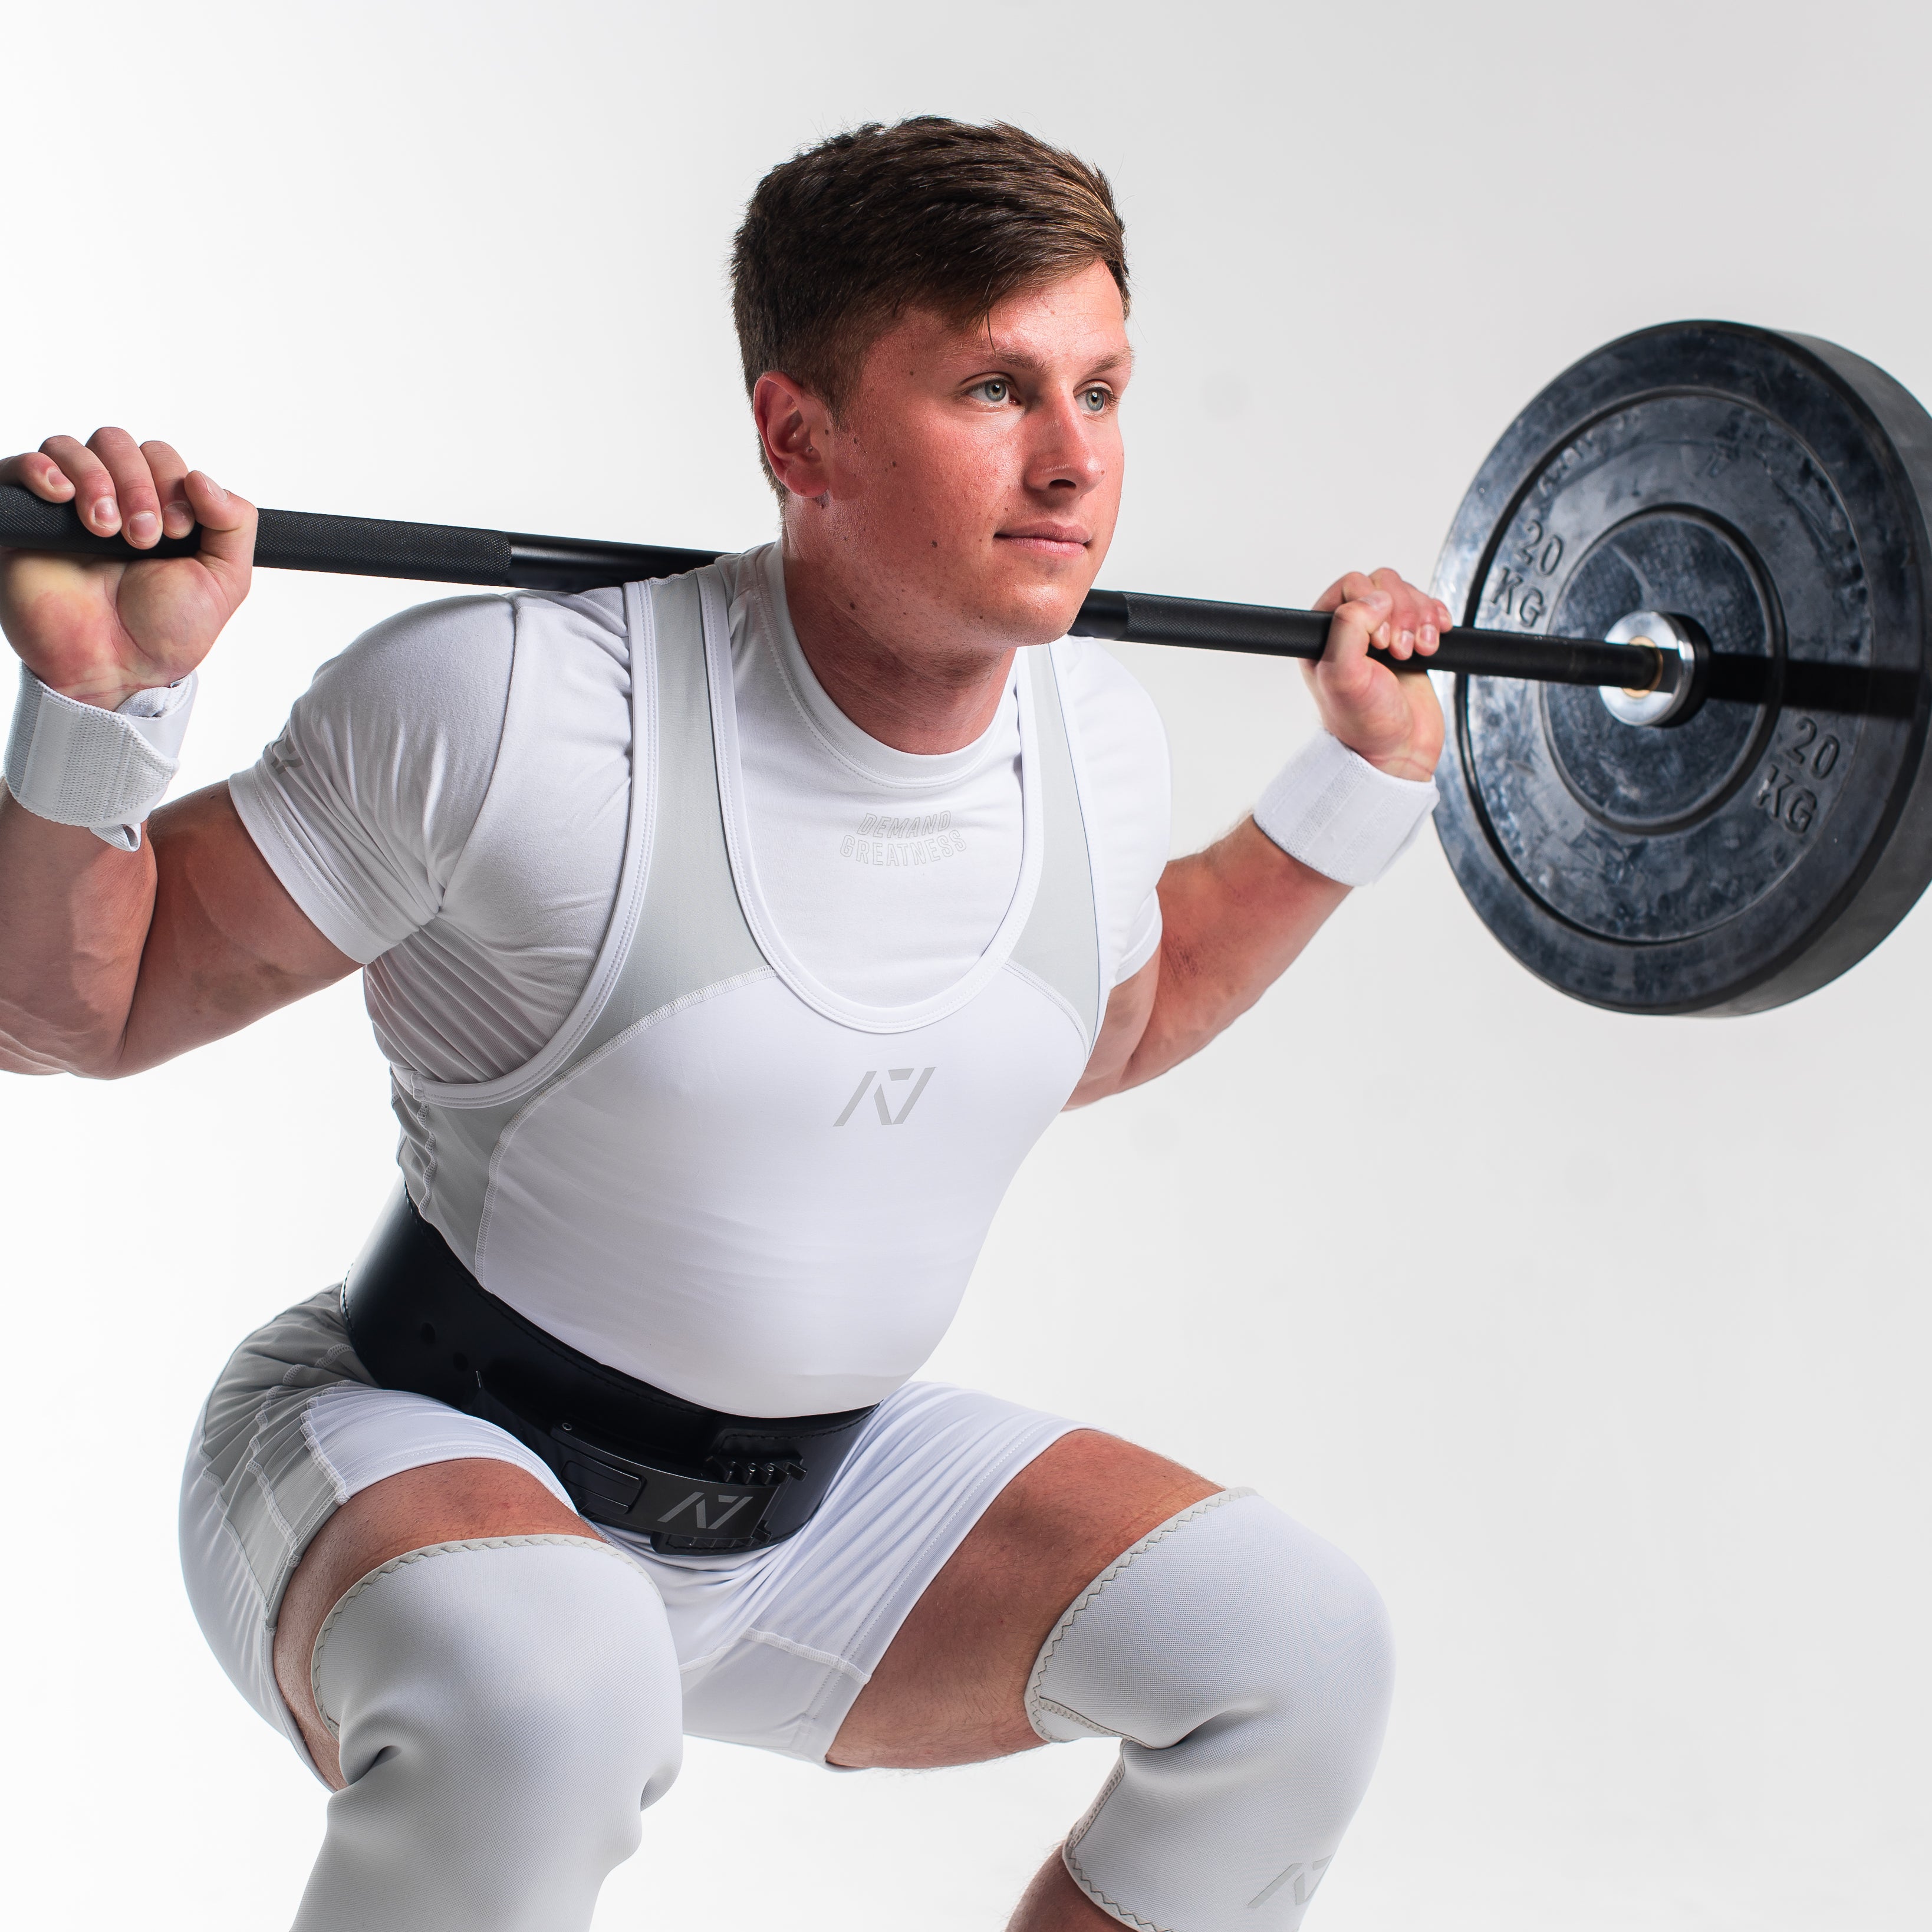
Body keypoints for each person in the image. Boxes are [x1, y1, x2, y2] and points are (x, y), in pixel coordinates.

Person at [0, 119, 1449, 1932]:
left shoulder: (1095, 735)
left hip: (815, 1513)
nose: (1078, 463)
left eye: (1104, 388)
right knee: (549, 1685)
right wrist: (103, 713)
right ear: (798, 438)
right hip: (406, 1453)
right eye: (999, 390)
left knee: (1291, 1650)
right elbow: (75, 1013)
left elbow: (1107, 1030)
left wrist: (1357, 792)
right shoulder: (516, 710)